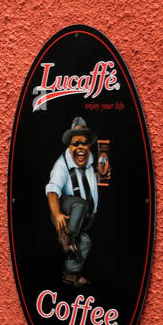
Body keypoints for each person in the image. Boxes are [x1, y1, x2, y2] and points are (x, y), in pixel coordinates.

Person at [45, 116, 99, 289]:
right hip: (65, 214)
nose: (80, 148)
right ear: (69, 146)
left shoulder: (91, 163)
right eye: (76, 144)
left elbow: (89, 184)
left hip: (83, 219)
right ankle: (66, 236)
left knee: (85, 243)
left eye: (84, 143)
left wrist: (99, 177)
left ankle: (70, 276)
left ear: (89, 145)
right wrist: (57, 214)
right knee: (80, 204)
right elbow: (52, 190)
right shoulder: (61, 165)